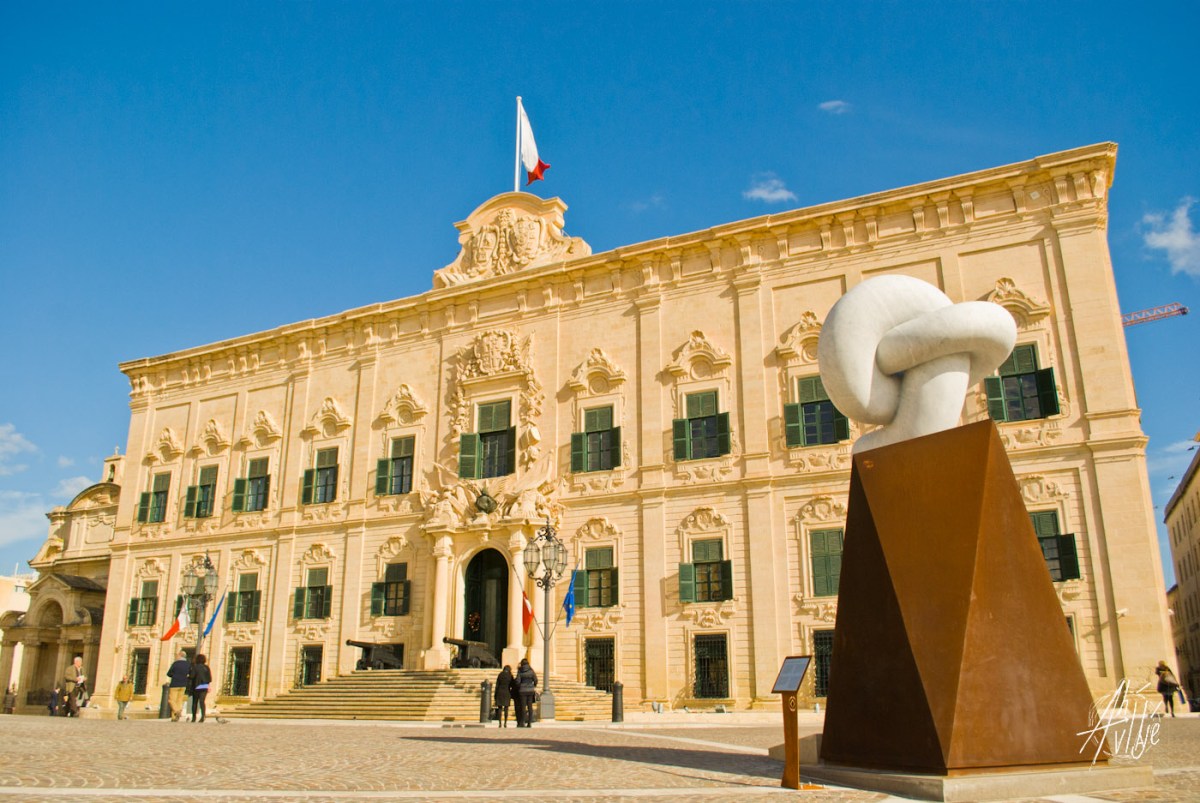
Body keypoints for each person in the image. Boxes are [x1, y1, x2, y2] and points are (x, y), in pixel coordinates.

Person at [166, 649, 190, 721]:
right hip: (183, 684)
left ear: (180, 655)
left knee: (171, 700)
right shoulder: (188, 664)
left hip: (175, 684)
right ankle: (174, 717)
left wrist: (174, 675)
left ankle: (176, 712)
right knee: (179, 700)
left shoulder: (175, 664)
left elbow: (169, 673)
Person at [188, 654, 212, 723]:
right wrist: (208, 685)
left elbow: (192, 676)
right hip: (204, 686)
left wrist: (188, 676)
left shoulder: (195, 667)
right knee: (202, 701)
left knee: (195, 702)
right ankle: (203, 716)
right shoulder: (207, 667)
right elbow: (209, 678)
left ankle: (194, 717)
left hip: (196, 686)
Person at [515, 658, 537, 728]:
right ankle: (530, 722)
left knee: (523, 707)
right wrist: (533, 686)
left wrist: (519, 686)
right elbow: (535, 679)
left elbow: (518, 681)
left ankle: (523, 722)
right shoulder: (531, 671)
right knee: (530, 706)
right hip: (530, 690)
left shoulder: (520, 671)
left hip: (522, 691)